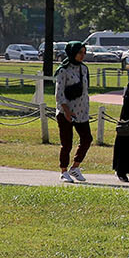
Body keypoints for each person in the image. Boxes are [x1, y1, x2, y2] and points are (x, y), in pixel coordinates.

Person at [54, 42, 92, 183]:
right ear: (72, 53)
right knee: (67, 144)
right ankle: (63, 171)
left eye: (84, 52)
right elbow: (59, 94)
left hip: (81, 112)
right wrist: (67, 111)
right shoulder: (63, 70)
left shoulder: (84, 69)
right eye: (80, 52)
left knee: (87, 139)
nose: (82, 55)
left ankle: (75, 167)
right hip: (66, 112)